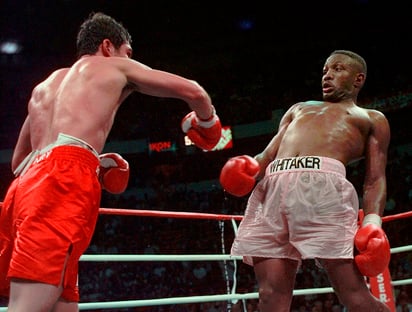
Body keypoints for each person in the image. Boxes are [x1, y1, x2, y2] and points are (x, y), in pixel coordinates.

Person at [0, 12, 221, 311]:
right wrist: (207, 124)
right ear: (107, 46)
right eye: (128, 52)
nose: (130, 59)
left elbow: (19, 163)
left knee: (63, 304)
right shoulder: (113, 66)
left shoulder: (45, 86)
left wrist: (90, 160)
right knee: (27, 307)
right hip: (60, 184)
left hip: (26, 188)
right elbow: (194, 90)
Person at [220, 50, 391, 311]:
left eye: (337, 69)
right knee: (270, 296)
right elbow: (267, 155)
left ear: (358, 79)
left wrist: (372, 222)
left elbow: (375, 179)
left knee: (353, 295)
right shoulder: (298, 109)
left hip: (324, 192)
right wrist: (248, 169)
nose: (328, 75)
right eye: (325, 70)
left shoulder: (370, 118)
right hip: (273, 190)